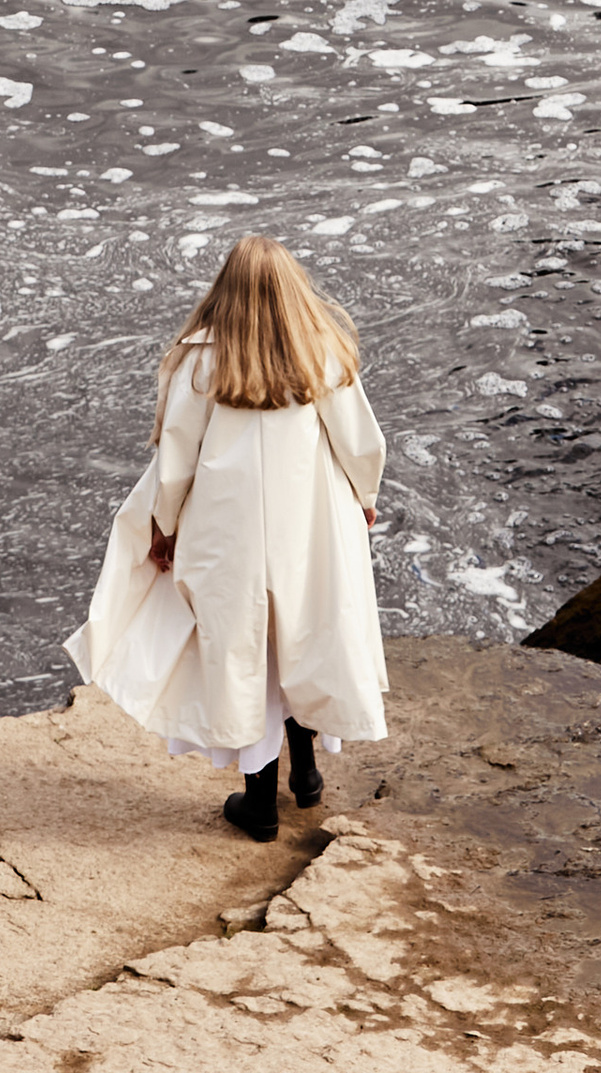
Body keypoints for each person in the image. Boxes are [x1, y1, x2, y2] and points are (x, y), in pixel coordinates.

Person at [65, 232, 387, 841]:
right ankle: (308, 775)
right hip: (311, 521)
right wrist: (365, 500)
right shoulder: (321, 348)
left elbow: (176, 459)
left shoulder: (200, 358)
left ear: (226, 289)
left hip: (228, 528)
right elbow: (360, 440)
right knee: (303, 630)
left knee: (244, 645)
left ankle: (259, 802)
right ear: (294, 288)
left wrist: (164, 525)